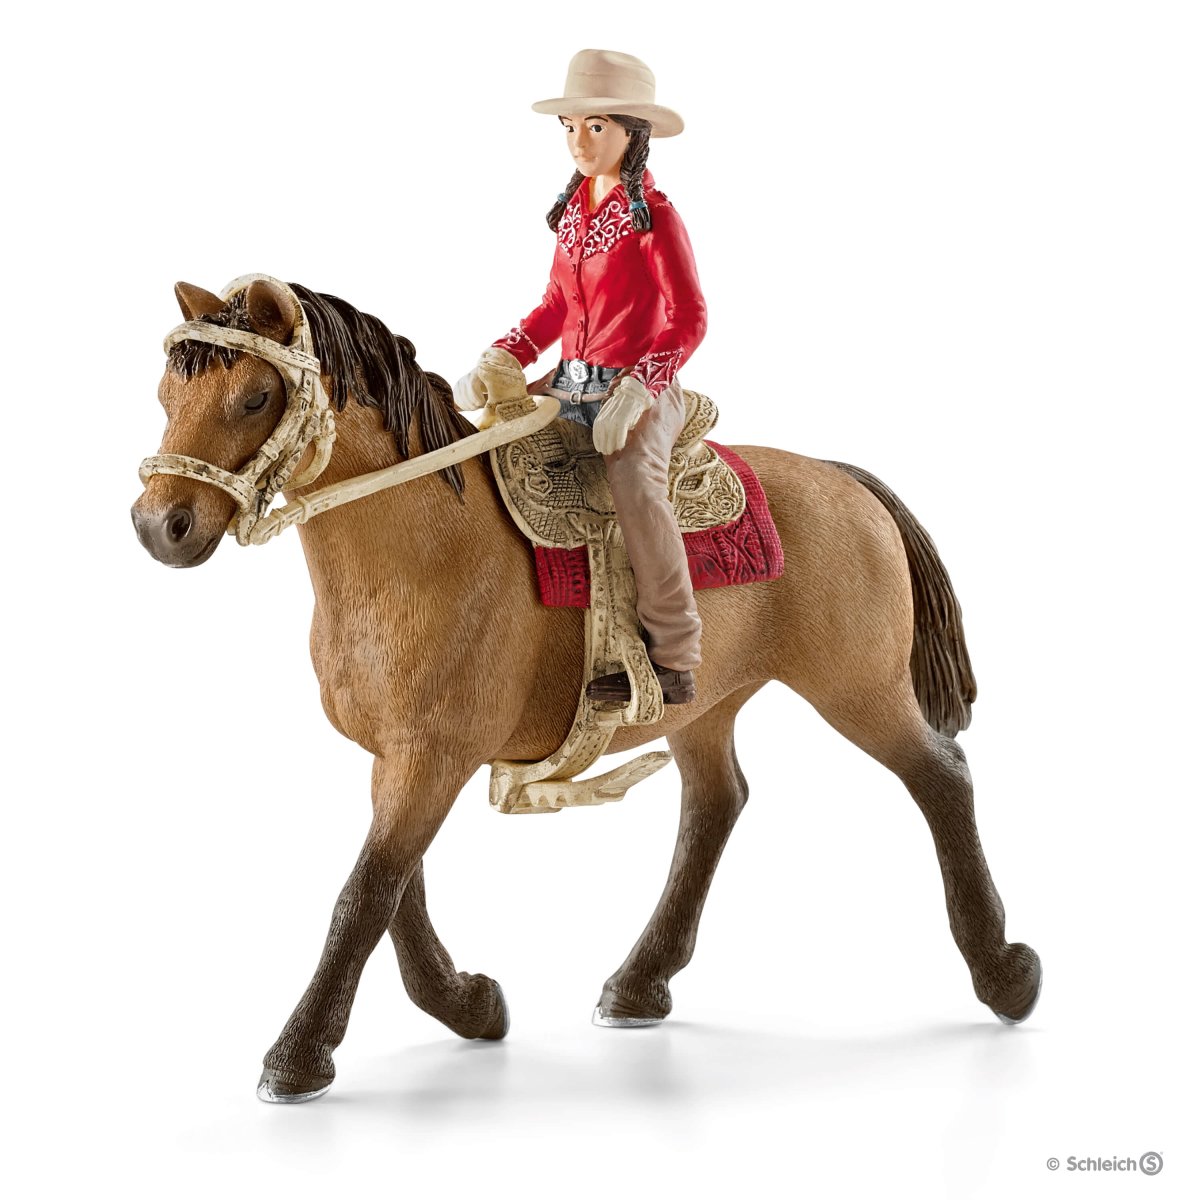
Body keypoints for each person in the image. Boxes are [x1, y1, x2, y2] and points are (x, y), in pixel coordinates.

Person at [454, 49, 707, 705]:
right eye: (571, 126)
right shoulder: (573, 214)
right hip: (569, 381)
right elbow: (554, 308)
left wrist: (640, 388)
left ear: (632, 133)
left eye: (596, 127)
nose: (579, 141)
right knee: (489, 446)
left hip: (639, 386)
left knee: (635, 485)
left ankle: (675, 656)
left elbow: (690, 318)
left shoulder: (655, 217)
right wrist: (506, 356)